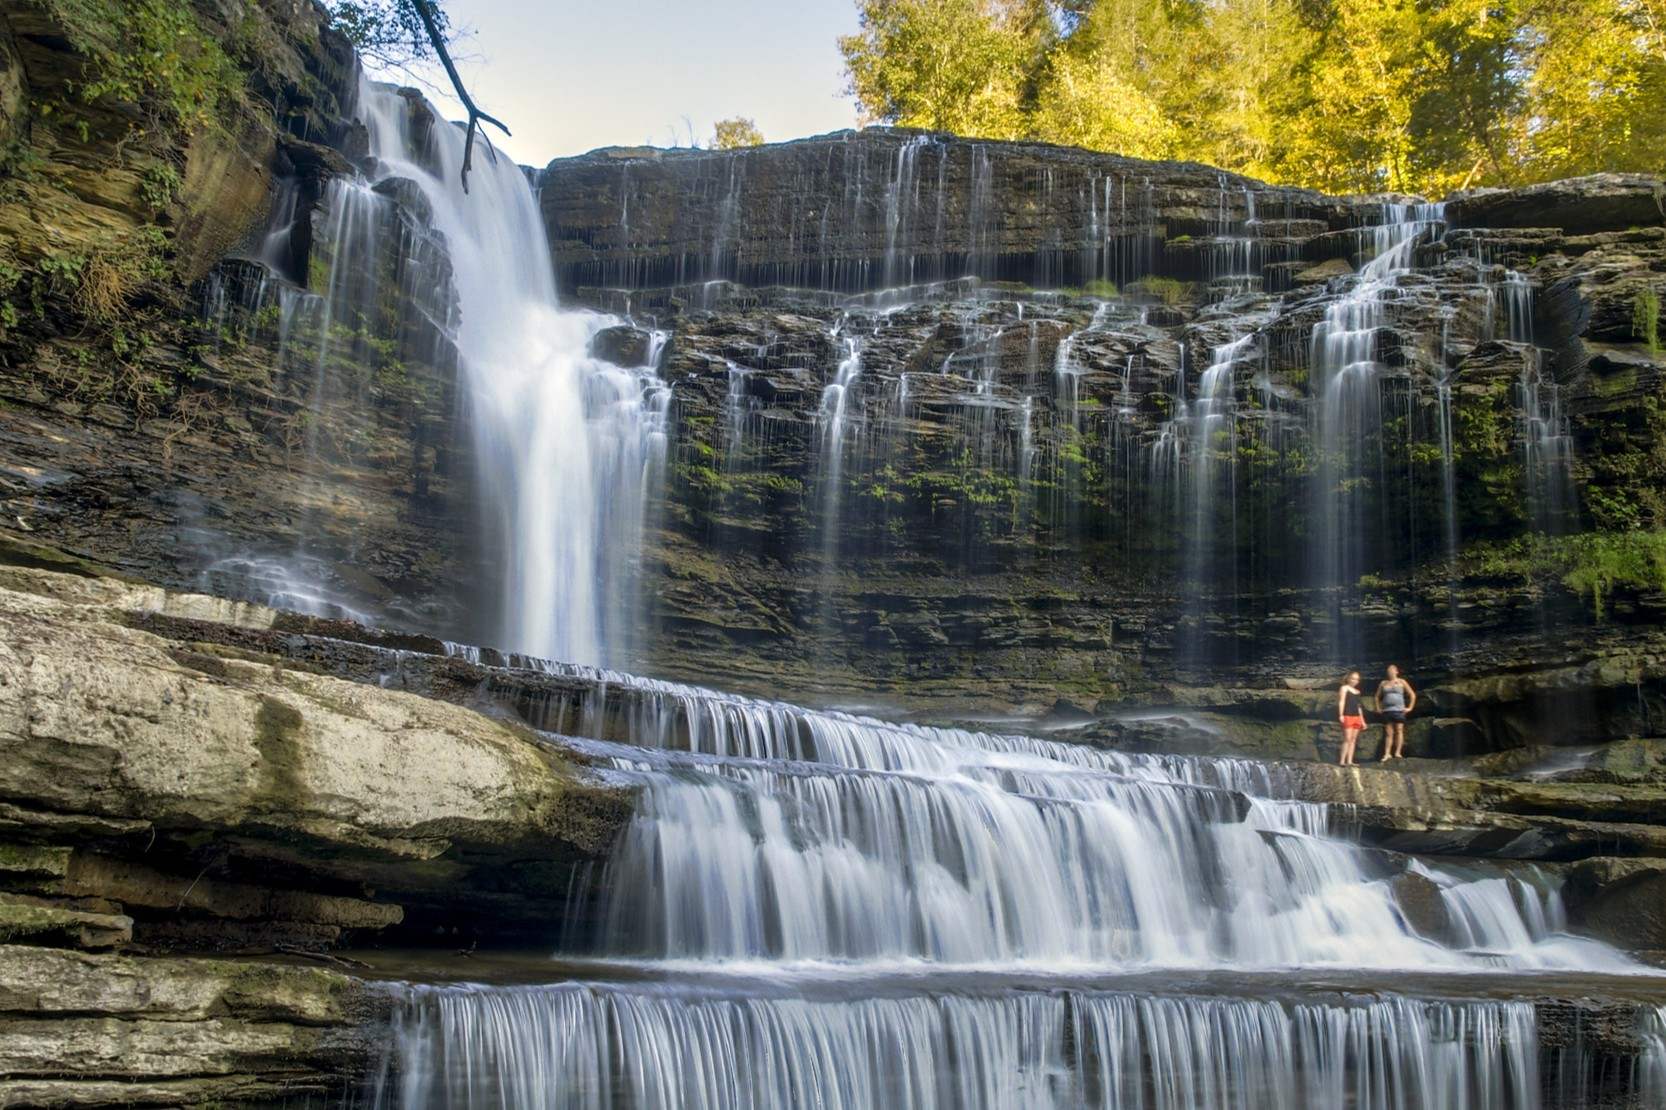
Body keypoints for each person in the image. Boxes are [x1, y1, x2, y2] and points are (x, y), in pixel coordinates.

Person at [1375, 664, 1416, 761]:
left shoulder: (1402, 681)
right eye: (1388, 670)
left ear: (1397, 671)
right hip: (1387, 710)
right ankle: (1387, 753)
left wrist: (1410, 708)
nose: (1390, 672)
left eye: (1392, 670)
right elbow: (1377, 696)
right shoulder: (1383, 683)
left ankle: (1398, 752)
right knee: (1389, 733)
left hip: (1399, 710)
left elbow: (1412, 695)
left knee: (1399, 730)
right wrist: (1378, 708)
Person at [1337, 671, 1367, 766]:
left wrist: (1363, 721)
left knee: (1353, 739)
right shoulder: (1344, 688)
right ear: (1348, 678)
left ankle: (1350, 761)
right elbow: (1341, 702)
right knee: (1347, 738)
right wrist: (1341, 715)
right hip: (1348, 715)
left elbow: (1359, 707)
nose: (1355, 681)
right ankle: (1342, 761)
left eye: (1357, 679)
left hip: (1357, 717)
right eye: (1353, 678)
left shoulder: (1358, 692)